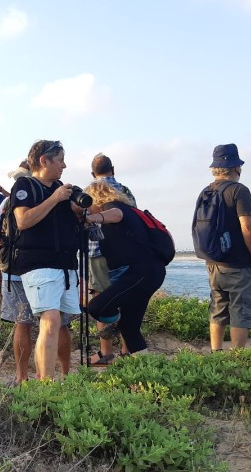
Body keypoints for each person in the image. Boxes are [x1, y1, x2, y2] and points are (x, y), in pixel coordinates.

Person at [9, 140, 83, 381]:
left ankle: (54, 378)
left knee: (59, 323)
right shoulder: (25, 185)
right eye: (60, 159)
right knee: (49, 320)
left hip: (66, 265)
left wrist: (78, 211)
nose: (64, 165)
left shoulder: (62, 188)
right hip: (38, 263)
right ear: (44, 160)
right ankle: (45, 387)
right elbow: (23, 221)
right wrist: (55, 198)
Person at [0, 161, 73, 382]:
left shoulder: (6, 202)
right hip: (47, 265)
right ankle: (66, 377)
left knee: (24, 322)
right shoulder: (53, 194)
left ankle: (22, 379)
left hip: (17, 268)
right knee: (59, 323)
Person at [83, 181, 166, 358]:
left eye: (89, 205)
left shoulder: (113, 206)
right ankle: (145, 371)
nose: (88, 210)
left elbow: (116, 214)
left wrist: (93, 218)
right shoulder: (134, 212)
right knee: (130, 328)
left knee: (97, 307)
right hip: (151, 272)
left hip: (141, 273)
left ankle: (115, 322)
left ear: (96, 199)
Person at [197, 144, 251, 352]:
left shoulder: (206, 191)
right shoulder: (239, 191)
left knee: (217, 308)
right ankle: (236, 359)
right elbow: (248, 227)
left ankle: (216, 353)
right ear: (236, 168)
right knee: (240, 310)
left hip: (213, 261)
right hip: (237, 262)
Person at [86, 153, 136, 365]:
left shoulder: (88, 192)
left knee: (101, 299)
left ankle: (106, 353)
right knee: (125, 300)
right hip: (125, 253)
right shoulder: (125, 191)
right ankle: (127, 349)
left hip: (97, 252)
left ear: (92, 172)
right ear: (112, 169)